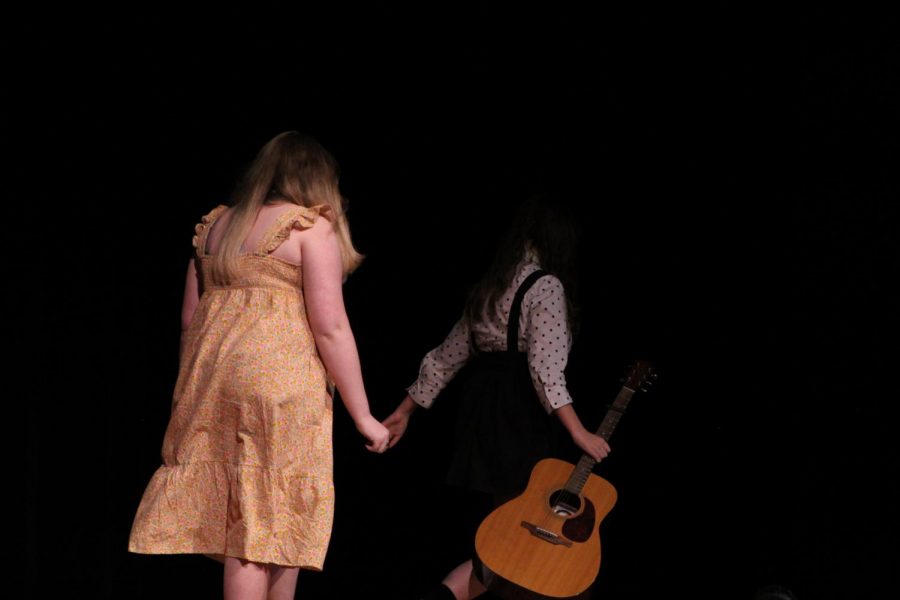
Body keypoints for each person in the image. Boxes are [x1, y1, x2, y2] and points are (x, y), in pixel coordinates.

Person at [128, 131, 390, 600]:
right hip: (279, 381)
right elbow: (330, 326)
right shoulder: (310, 226)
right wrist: (363, 415)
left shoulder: (215, 226)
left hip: (211, 380)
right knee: (258, 527)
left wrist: (188, 391)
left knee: (270, 521)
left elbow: (190, 320)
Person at [382, 190, 611, 600]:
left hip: (481, 413)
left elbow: (445, 357)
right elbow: (545, 371)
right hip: (519, 414)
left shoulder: (493, 285)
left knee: (503, 521)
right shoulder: (546, 286)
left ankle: (451, 592)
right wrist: (579, 433)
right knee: (521, 527)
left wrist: (404, 411)